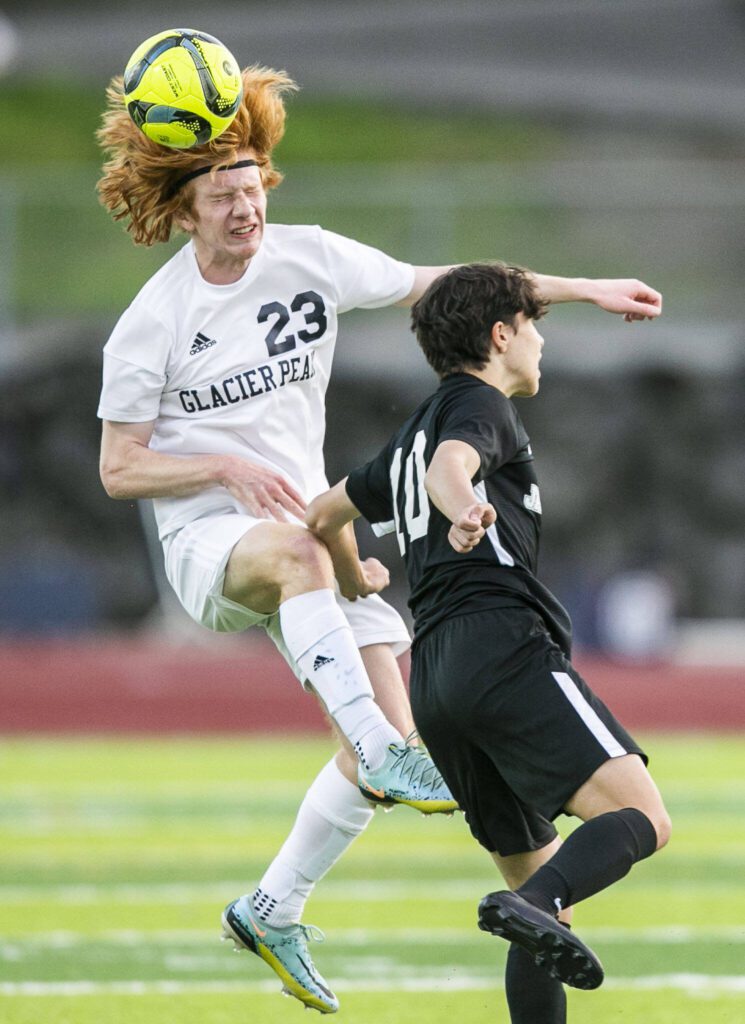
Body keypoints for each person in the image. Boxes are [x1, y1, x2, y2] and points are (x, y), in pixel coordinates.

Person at [96, 55, 663, 1015]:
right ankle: (381, 746)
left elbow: (454, 286)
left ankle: (273, 906)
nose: (246, 209)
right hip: (212, 545)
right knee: (310, 566)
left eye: (251, 189)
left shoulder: (308, 255)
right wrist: (221, 467)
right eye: (223, 197)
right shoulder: (152, 322)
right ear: (183, 211)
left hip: (303, 535)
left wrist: (581, 287)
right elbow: (118, 470)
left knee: (385, 747)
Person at [305, 262, 672, 1021]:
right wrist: (466, 507)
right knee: (639, 820)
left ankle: (535, 905)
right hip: (501, 648)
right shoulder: (481, 407)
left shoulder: (411, 430)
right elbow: (451, 468)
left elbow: (322, 512)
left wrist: (356, 574)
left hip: (434, 683)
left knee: (538, 914)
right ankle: (537, 902)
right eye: (530, 327)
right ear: (500, 336)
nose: (539, 343)